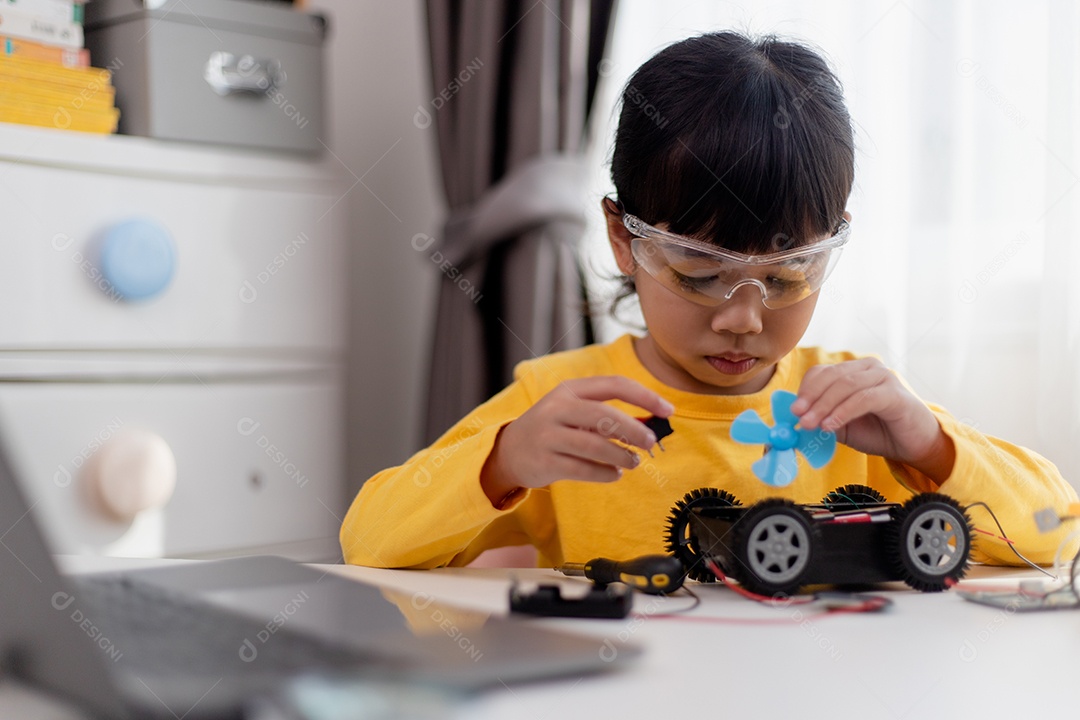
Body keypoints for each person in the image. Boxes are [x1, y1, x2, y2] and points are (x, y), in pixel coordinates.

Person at [341, 31, 1078, 573]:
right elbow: (369, 542)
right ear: (625, 241)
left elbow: (1056, 526)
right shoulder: (565, 406)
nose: (743, 318)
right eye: (698, 272)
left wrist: (932, 447)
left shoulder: (857, 411)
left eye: (789, 277)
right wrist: (503, 462)